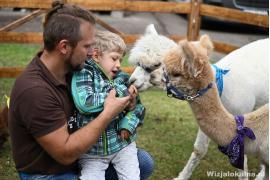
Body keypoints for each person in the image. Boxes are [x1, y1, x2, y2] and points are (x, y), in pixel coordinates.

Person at [8, 1, 154, 179]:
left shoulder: (77, 69)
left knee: (143, 162)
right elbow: (65, 153)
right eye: (87, 46)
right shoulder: (34, 91)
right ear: (64, 47)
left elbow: (116, 91)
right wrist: (108, 112)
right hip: (50, 172)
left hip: (82, 157)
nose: (93, 52)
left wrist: (129, 104)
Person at [71, 30, 145, 180]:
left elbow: (138, 108)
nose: (118, 65)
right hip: (92, 152)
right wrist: (123, 92)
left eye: (120, 60)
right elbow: (86, 103)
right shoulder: (84, 72)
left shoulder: (122, 78)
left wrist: (128, 124)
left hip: (122, 146)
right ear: (97, 56)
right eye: (114, 58)